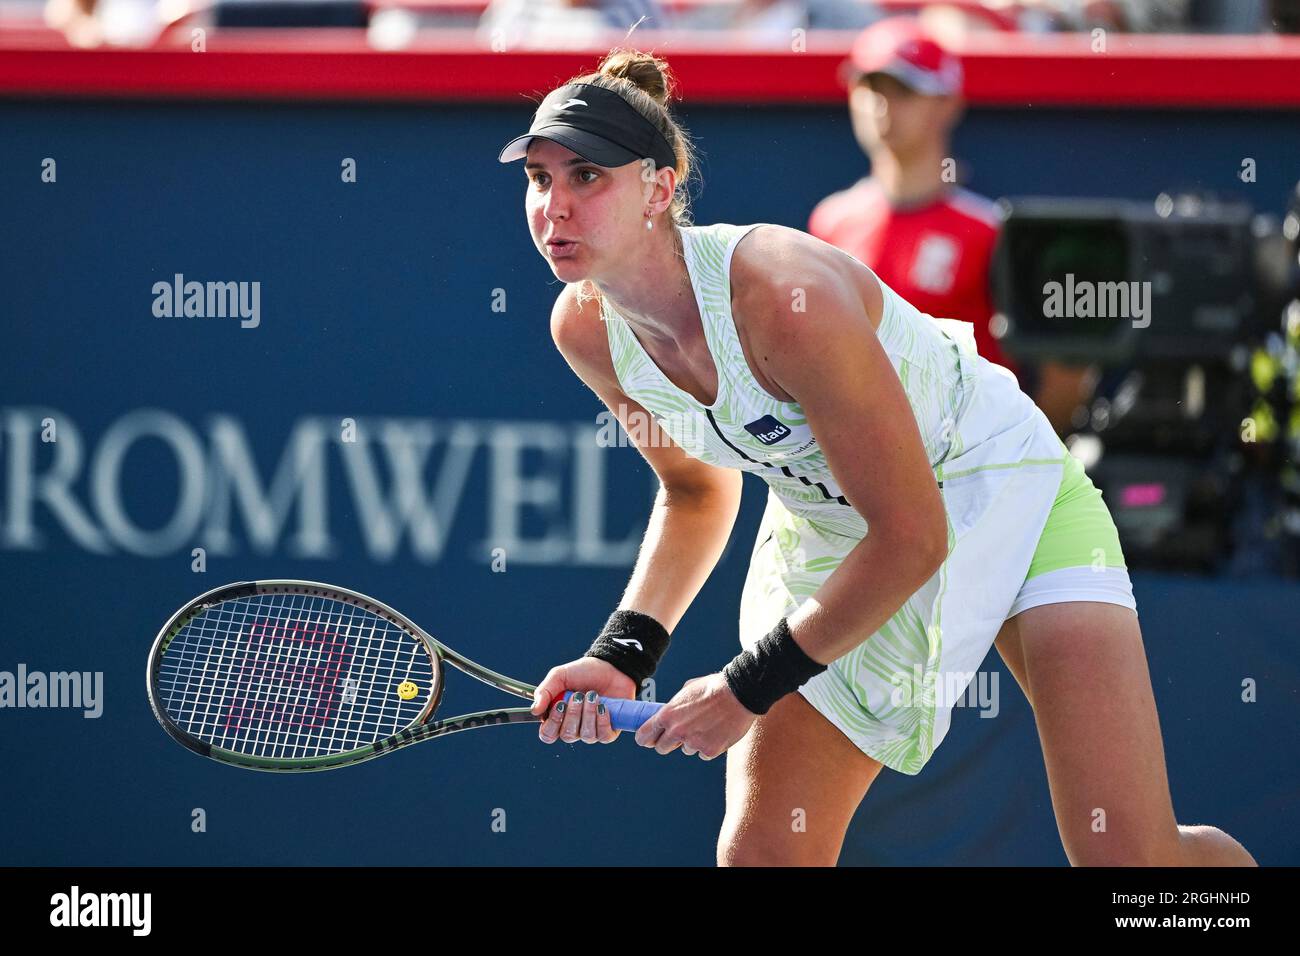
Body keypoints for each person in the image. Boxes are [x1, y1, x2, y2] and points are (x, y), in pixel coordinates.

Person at [497, 48, 1257, 867]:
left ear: (659, 187)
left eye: (586, 178)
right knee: (763, 857)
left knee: (1133, 862)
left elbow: (914, 537)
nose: (555, 208)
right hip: (837, 535)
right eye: (540, 179)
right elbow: (694, 489)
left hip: (1007, 489)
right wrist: (623, 653)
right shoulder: (586, 330)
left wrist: (746, 687)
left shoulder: (781, 299)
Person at [810, 16, 1094, 435]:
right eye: (870, 88)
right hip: (859, 477)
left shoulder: (991, 232)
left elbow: (1066, 373)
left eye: (904, 90)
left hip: (971, 472)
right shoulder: (831, 222)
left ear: (948, 103)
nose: (882, 105)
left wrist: (1010, 462)